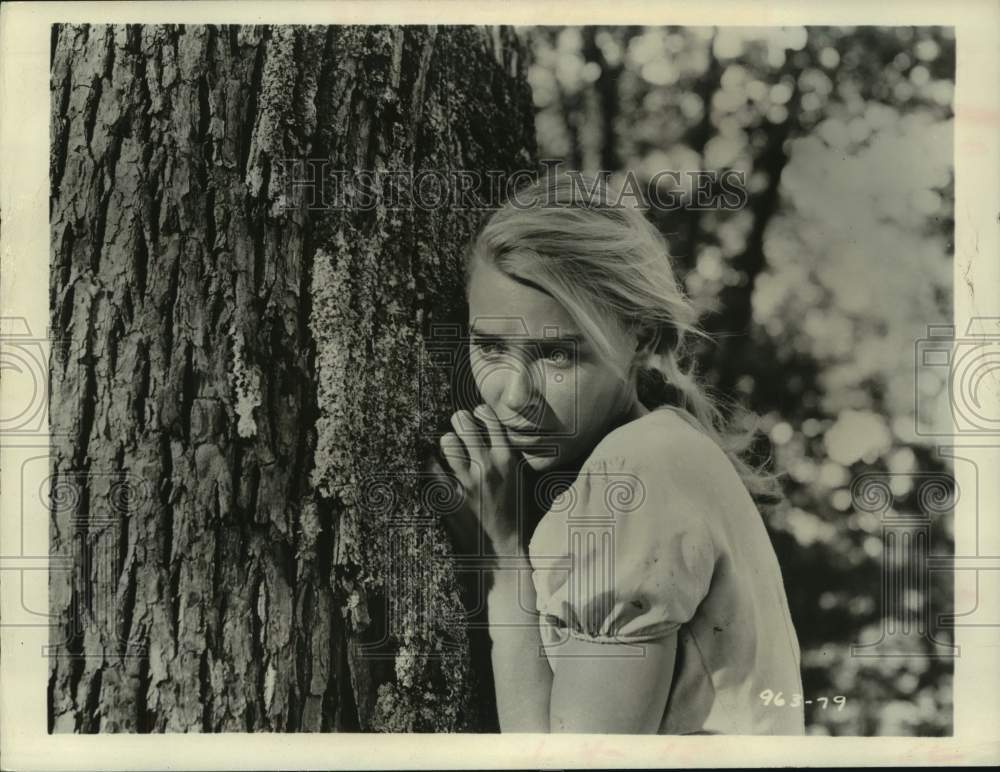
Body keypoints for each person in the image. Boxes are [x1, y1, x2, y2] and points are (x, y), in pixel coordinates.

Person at [432, 172, 805, 734]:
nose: (512, 395)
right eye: (488, 346)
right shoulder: (671, 450)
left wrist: (505, 558)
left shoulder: (633, 473)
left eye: (557, 355)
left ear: (644, 338)